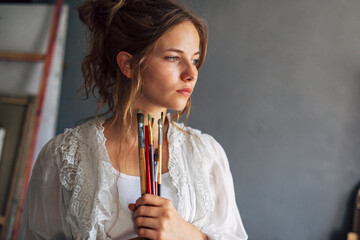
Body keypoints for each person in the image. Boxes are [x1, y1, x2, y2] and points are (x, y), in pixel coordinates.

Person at [19, 0, 248, 239]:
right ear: (128, 64)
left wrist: (189, 235)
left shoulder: (207, 155)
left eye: (195, 60)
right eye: (173, 58)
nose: (191, 74)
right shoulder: (64, 157)